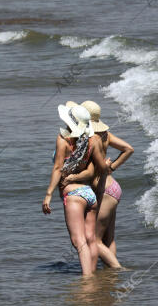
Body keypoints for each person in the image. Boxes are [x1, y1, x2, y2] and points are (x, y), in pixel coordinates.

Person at [43, 102, 110, 276]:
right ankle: (93, 275)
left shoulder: (63, 140)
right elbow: (100, 168)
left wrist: (48, 195)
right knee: (90, 240)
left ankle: (87, 279)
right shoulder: (91, 141)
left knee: (78, 241)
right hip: (89, 194)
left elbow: (58, 168)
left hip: (73, 195)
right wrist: (110, 164)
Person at [63, 101, 133, 268]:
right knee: (109, 239)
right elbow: (128, 149)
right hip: (114, 188)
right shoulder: (105, 135)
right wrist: (112, 168)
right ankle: (109, 275)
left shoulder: (90, 138)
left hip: (104, 191)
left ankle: (118, 269)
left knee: (94, 239)